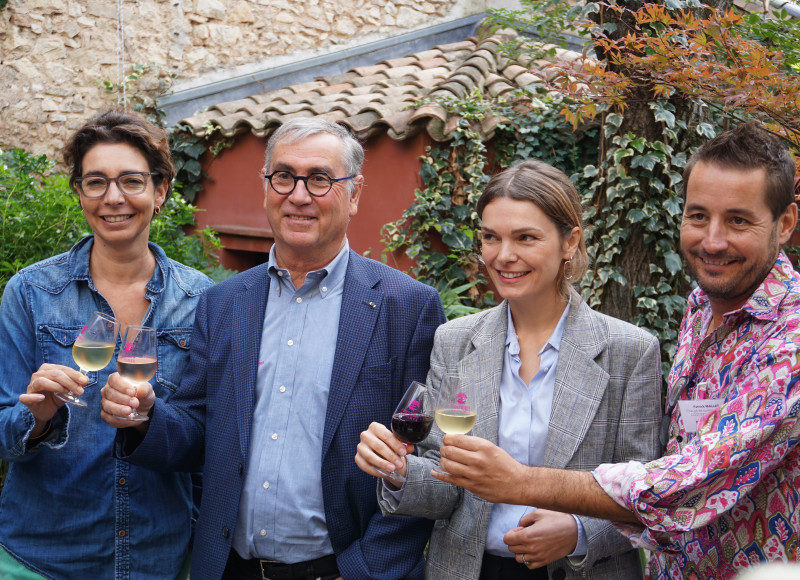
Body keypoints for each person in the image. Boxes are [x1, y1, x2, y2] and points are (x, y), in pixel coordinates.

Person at [434, 123, 800, 579]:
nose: (712, 240)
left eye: (738, 220)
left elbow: (689, 479)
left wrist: (524, 484)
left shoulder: (790, 339)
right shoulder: (702, 306)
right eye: (698, 216)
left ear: (786, 223)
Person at [100, 117, 446, 580]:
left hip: (342, 571)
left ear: (354, 193)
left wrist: (361, 570)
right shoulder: (223, 303)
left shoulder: (408, 307)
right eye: (283, 176)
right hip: (230, 569)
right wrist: (145, 417)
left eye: (319, 179)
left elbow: (425, 460)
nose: (298, 195)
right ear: (266, 187)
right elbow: (197, 429)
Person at [355, 159, 664, 580]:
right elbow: (445, 480)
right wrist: (398, 471)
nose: (503, 256)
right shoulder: (455, 341)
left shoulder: (629, 351)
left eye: (525, 238)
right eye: (491, 237)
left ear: (570, 241)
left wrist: (579, 532)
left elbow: (648, 493)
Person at [0, 110, 214, 579]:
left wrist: (151, 421)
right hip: (42, 558)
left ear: (160, 190)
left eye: (131, 181)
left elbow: (210, 439)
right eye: (95, 182)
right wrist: (37, 419)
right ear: (79, 193)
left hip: (158, 557)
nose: (113, 197)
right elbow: (2, 431)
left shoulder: (202, 301)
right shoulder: (31, 293)